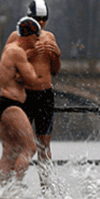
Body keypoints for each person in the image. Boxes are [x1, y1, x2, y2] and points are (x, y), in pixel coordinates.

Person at [5, 0, 61, 193]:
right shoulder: (17, 36)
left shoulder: (50, 37)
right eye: (38, 19)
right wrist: (30, 53)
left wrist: (57, 56)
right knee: (21, 144)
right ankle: (12, 187)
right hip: (25, 95)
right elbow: (8, 66)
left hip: (45, 94)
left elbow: (55, 71)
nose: (42, 23)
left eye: (44, 19)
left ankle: (47, 190)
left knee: (44, 143)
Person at [0, 18, 41, 190]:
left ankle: (3, 191)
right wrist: (30, 58)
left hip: (5, 102)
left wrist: (20, 75)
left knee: (10, 150)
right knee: (30, 147)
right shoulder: (17, 52)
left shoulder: (9, 49)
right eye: (36, 36)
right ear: (28, 36)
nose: (38, 40)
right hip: (11, 104)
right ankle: (15, 187)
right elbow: (33, 80)